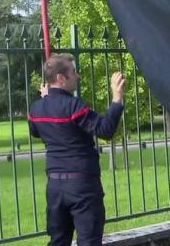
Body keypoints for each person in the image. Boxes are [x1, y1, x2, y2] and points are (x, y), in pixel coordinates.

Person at [29, 53, 125, 245]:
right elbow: (105, 130)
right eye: (73, 72)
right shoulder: (74, 106)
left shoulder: (37, 109)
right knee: (89, 241)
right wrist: (117, 98)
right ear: (60, 78)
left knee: (58, 241)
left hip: (55, 187)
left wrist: (47, 101)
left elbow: (36, 132)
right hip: (82, 187)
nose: (78, 76)